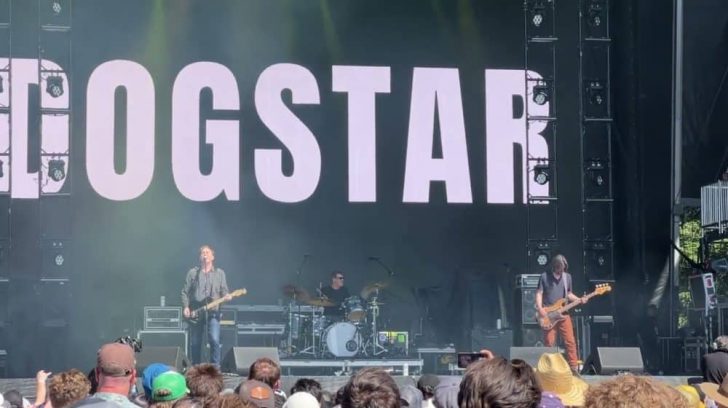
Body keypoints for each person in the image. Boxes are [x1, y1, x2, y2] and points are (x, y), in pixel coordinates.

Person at [181, 245, 232, 366]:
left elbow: (224, 291)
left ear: (213, 257)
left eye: (207, 252)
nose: (205, 254)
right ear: (200, 257)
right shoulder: (193, 273)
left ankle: (215, 368)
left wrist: (227, 297)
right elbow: (184, 292)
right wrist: (186, 306)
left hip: (213, 311)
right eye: (202, 253)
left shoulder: (219, 273)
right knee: (195, 342)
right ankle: (195, 367)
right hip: (196, 311)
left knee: (214, 339)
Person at [535, 255, 587, 372]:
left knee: (570, 341)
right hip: (549, 314)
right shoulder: (544, 276)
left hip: (564, 313)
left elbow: (568, 294)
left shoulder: (567, 277)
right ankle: (548, 368)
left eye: (563, 268)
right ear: (554, 266)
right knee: (549, 342)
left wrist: (579, 299)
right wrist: (540, 309)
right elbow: (539, 293)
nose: (561, 270)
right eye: (559, 268)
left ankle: (574, 367)